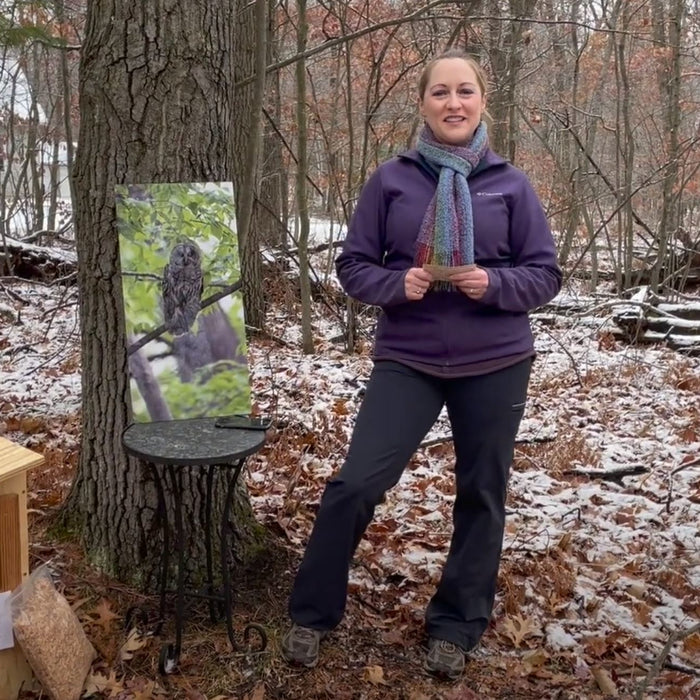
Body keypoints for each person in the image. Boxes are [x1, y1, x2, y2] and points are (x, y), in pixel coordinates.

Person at [280, 47, 562, 680]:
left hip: (496, 360)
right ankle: (310, 614)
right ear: (423, 104)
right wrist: (392, 285)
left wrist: (491, 284)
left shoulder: (510, 184)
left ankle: (456, 625)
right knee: (356, 483)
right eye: (441, 92)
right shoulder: (392, 179)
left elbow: (544, 274)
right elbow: (353, 264)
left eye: (465, 91)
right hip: (408, 357)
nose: (453, 103)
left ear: (482, 101)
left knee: (481, 495)